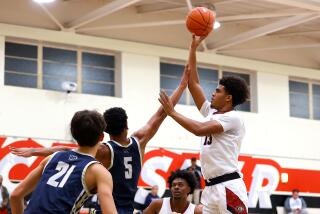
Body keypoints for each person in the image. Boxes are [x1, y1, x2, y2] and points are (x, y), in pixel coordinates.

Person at [10, 65, 190, 214]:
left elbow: (71, 152)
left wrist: (37, 151)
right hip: (127, 209)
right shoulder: (139, 141)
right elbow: (161, 113)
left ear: (104, 131)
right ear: (127, 125)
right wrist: (182, 86)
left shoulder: (103, 150)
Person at [158, 35, 249, 214]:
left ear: (229, 98)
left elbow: (198, 130)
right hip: (210, 189)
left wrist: (172, 113)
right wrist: (192, 49)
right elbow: (194, 83)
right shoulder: (212, 112)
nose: (213, 94)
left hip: (228, 186)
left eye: (218, 91)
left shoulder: (233, 118)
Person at [10, 110, 117, 214]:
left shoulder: (52, 157)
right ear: (101, 137)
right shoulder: (99, 171)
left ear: (73, 133)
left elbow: (15, 195)